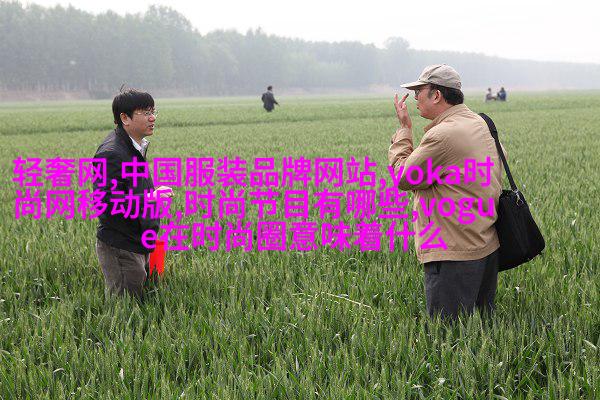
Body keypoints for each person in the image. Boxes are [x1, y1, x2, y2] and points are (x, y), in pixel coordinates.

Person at [388, 64, 504, 320]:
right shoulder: (482, 124)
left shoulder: (443, 135)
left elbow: (404, 177)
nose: (415, 97)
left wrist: (404, 130)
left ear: (437, 95)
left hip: (453, 253)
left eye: (419, 91)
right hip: (485, 245)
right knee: (480, 331)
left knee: (447, 336)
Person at [93, 88, 173, 298]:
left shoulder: (132, 146)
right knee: (125, 308)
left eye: (153, 111)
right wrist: (150, 197)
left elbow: (129, 188)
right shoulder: (112, 153)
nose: (152, 118)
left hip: (139, 240)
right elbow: (105, 202)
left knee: (142, 302)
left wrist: (151, 194)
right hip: (122, 246)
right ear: (125, 118)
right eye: (145, 113)